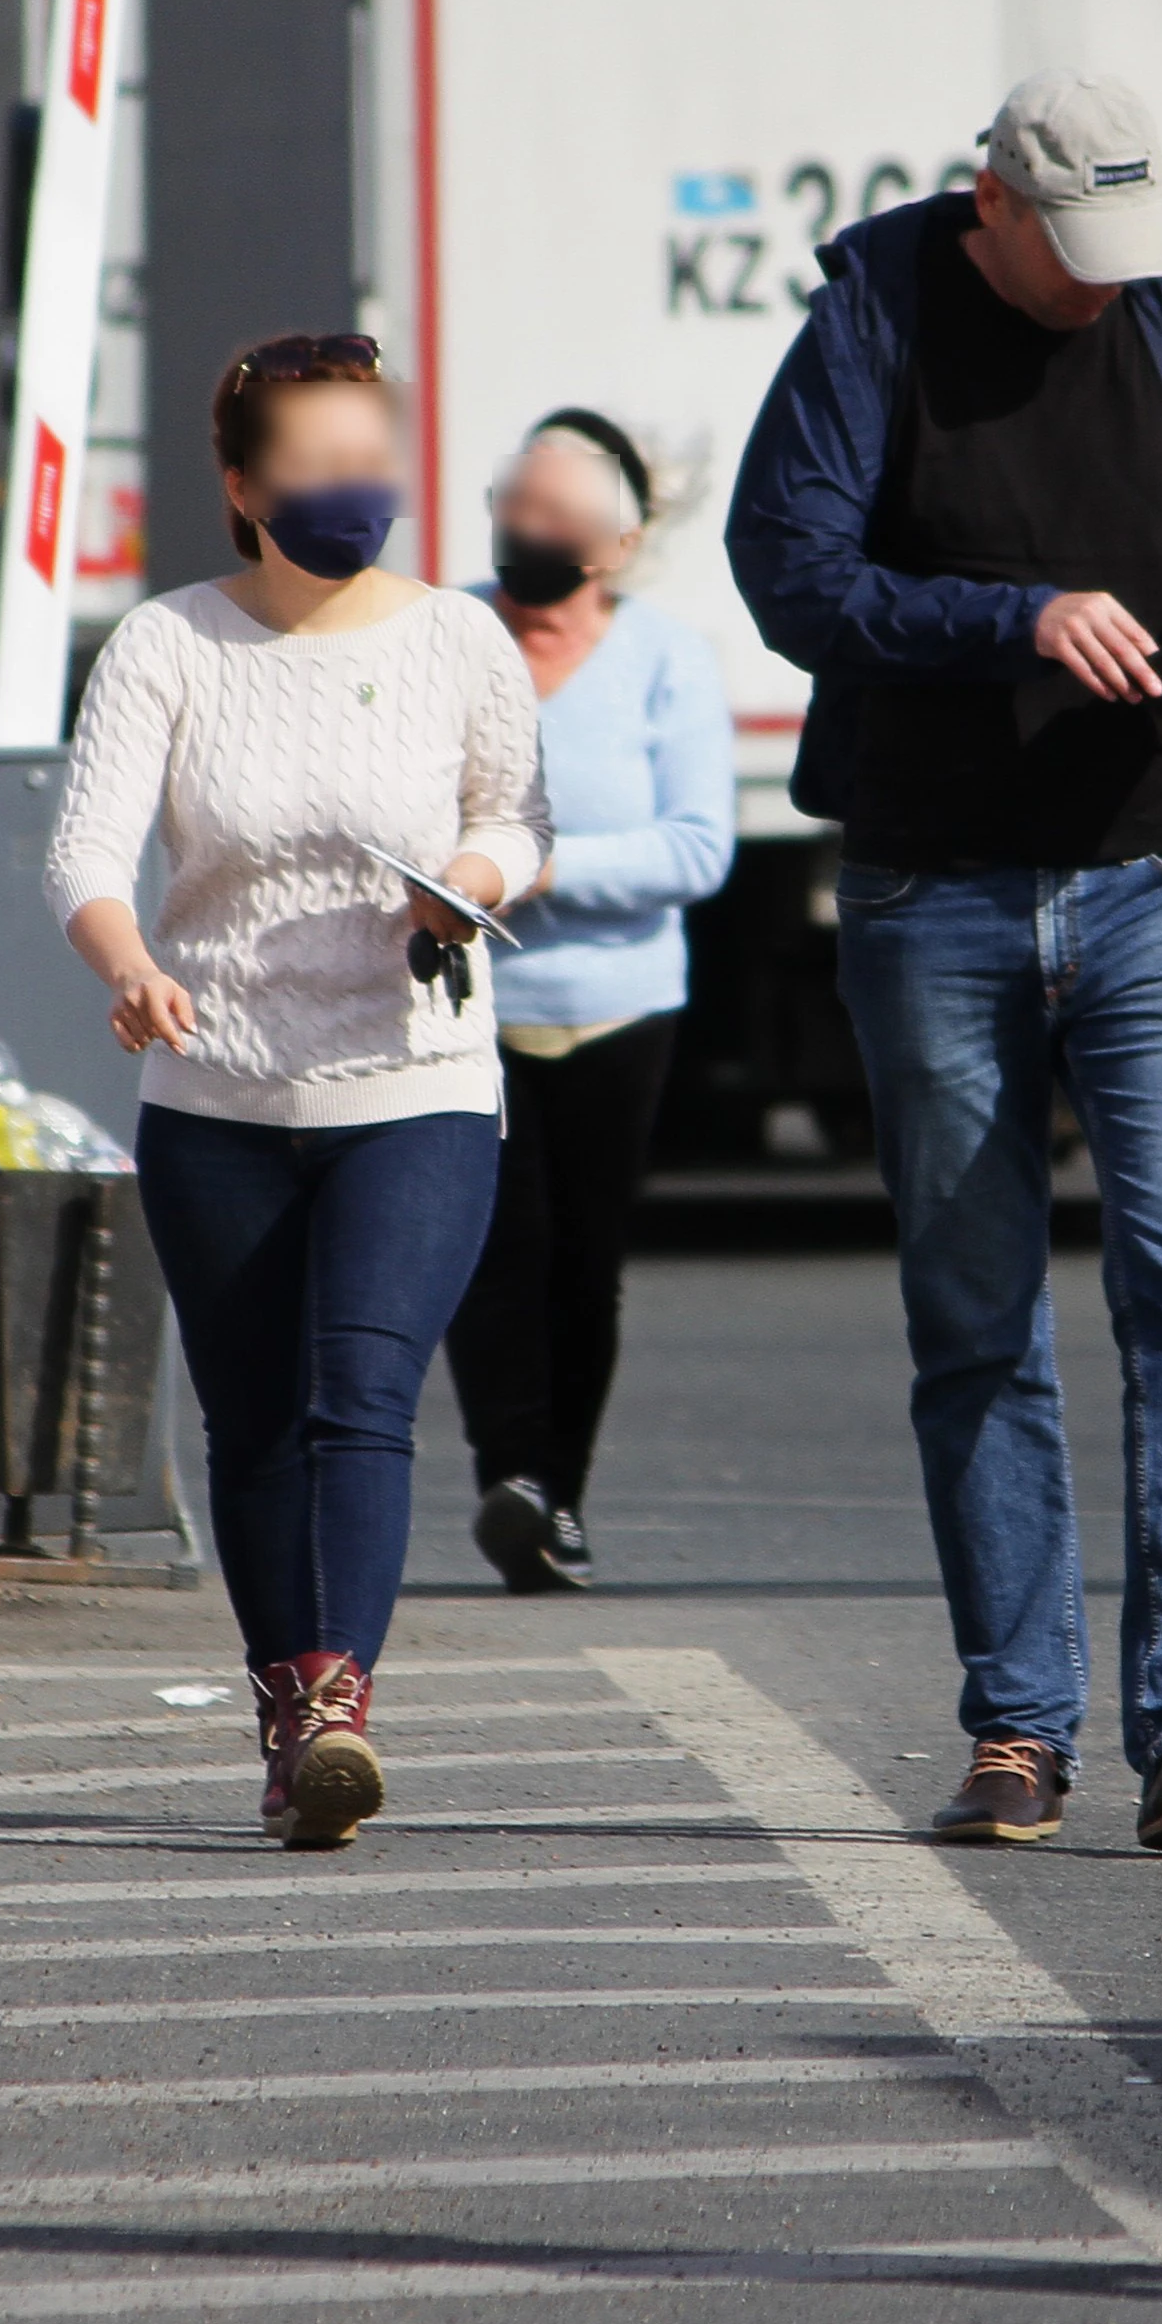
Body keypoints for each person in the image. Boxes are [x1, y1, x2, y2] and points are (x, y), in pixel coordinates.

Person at [726, 74, 1162, 1855]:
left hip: (1160, 869)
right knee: (973, 1314)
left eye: (1121, 249)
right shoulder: (870, 313)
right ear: (982, 208)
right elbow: (785, 571)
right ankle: (1015, 1726)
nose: (1095, 285)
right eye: (1063, 250)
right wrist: (1008, 617)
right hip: (930, 887)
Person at [47, 334, 551, 1848]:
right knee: (254, 1416)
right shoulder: (170, 644)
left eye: (370, 465)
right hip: (218, 1097)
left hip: (420, 1078)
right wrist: (128, 962)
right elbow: (87, 853)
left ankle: (337, 1700)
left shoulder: (461, 638)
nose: (353, 494)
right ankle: (288, 1711)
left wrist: (468, 882)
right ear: (244, 485)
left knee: (361, 1398)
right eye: (319, 470)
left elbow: (517, 819)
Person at [450, 408, 737, 1592]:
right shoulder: (448, 633)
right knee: (488, 1249)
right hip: (473, 1002)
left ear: (613, 545)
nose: (526, 533)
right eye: (512, 508)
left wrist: (545, 867)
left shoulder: (667, 659)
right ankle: (509, 1477)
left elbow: (698, 849)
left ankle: (558, 1496)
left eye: (554, 518)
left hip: (622, 1009)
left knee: (585, 1259)